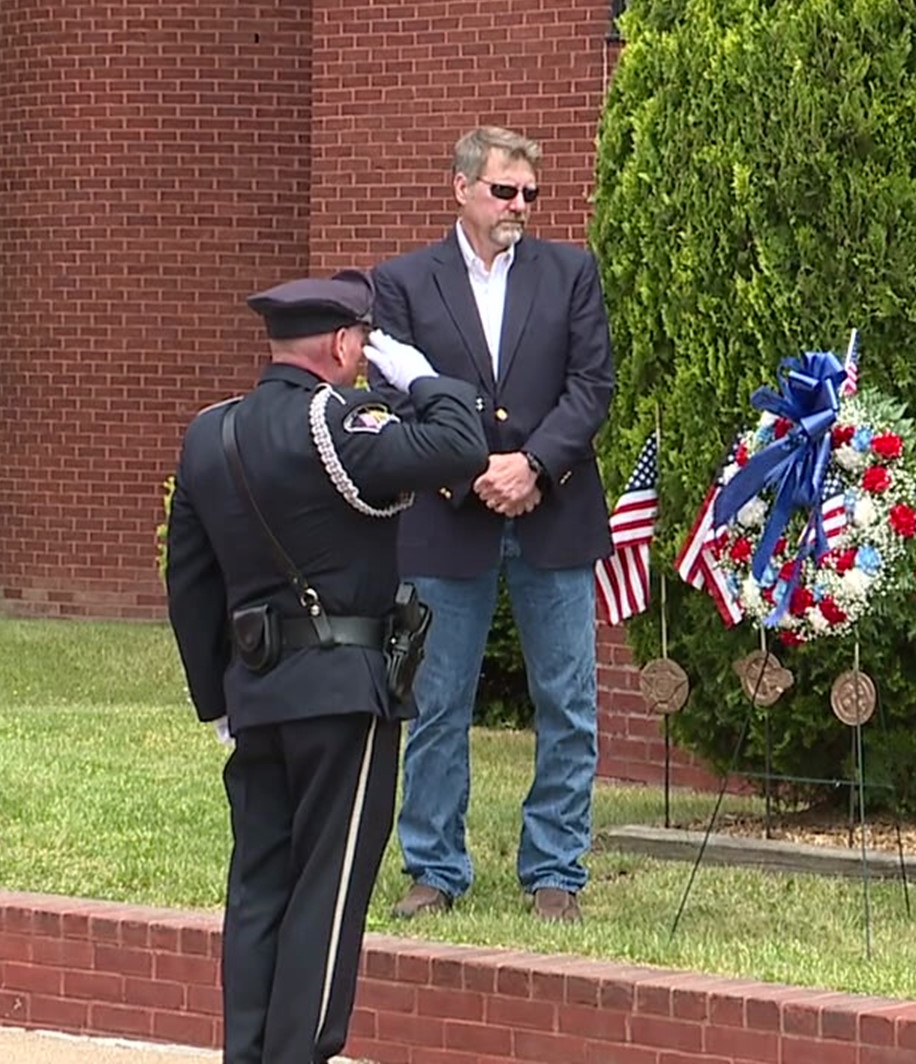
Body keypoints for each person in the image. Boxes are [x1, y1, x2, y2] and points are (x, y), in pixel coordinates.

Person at [164, 269, 488, 1062]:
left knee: (260, 887)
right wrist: (423, 378)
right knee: (327, 891)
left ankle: (249, 1053)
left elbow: (190, 580)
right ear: (345, 344)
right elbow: (461, 444)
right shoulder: (339, 423)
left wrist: (217, 701)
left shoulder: (212, 432)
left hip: (256, 696)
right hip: (343, 695)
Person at [370, 126, 615, 923]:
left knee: (567, 703)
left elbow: (590, 386)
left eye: (529, 195)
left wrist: (533, 465)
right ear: (462, 188)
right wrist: (473, 468)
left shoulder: (571, 273)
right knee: (438, 703)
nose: (518, 207)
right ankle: (433, 868)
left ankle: (555, 871)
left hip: (555, 510)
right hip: (448, 518)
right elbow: (399, 392)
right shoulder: (402, 282)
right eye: (504, 191)